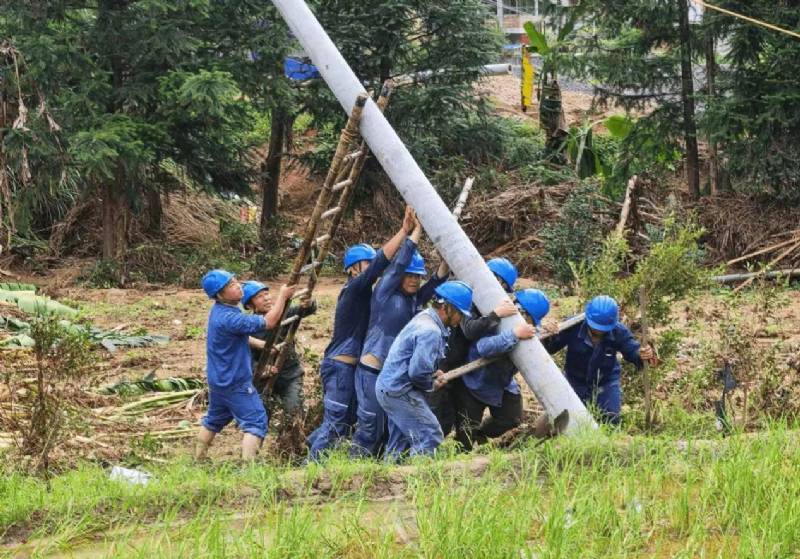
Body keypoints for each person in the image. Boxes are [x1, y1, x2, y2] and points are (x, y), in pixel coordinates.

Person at [306, 206, 417, 459]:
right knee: (336, 425)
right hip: (340, 369)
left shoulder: (371, 295)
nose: (371, 267)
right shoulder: (354, 289)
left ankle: (305, 447)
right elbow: (381, 264)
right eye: (366, 263)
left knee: (344, 422)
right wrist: (404, 232)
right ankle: (309, 470)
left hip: (351, 370)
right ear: (352, 269)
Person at [350, 217, 449, 458]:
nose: (415, 280)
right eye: (409, 275)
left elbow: (436, 281)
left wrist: (449, 253)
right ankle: (353, 470)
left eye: (418, 276)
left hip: (394, 378)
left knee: (396, 431)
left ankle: (388, 469)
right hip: (372, 372)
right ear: (399, 276)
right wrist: (415, 233)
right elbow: (399, 263)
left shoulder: (415, 299)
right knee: (370, 429)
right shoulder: (384, 293)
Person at [194, 269, 289, 460]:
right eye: (230, 285)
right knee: (256, 421)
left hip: (218, 379)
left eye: (236, 281)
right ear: (220, 294)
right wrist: (283, 296)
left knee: (213, 420)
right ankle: (249, 469)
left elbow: (236, 335)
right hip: (235, 381)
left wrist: (260, 344)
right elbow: (269, 322)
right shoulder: (231, 318)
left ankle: (198, 459)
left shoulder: (219, 312)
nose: (238, 286)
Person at [376, 281, 473, 460]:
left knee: (401, 442)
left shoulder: (425, 317)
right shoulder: (431, 331)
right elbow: (417, 373)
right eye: (460, 313)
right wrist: (432, 383)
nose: (460, 320)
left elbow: (416, 362)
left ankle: (391, 475)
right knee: (429, 435)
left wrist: (433, 373)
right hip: (400, 390)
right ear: (447, 307)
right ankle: (419, 476)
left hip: (389, 387)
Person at [427, 257, 519, 436]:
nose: (500, 289)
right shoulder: (467, 298)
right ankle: (423, 448)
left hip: (462, 368)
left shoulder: (486, 305)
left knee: (452, 418)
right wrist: (495, 314)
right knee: (439, 415)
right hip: (444, 363)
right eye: (498, 283)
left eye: (503, 286)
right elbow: (470, 330)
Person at [447, 288, 548, 450]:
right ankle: (462, 455)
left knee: (511, 419)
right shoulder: (497, 318)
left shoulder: (525, 327)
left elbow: (537, 352)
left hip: (502, 383)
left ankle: (481, 433)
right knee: (465, 435)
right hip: (474, 383)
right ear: (522, 313)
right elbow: (483, 347)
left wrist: (547, 333)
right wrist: (514, 334)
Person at [541, 295, 656, 426]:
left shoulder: (619, 332)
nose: (599, 331)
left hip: (606, 382)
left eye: (603, 328)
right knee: (568, 420)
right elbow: (549, 347)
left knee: (611, 419)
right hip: (575, 381)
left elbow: (632, 351)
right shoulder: (572, 326)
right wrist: (548, 333)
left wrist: (642, 354)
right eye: (596, 327)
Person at [242, 280, 313, 418]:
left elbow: (306, 309)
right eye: (259, 296)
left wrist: (308, 303)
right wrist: (259, 369)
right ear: (250, 305)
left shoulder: (284, 313)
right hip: (263, 380)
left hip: (290, 375)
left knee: (294, 413)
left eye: (266, 294)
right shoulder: (249, 326)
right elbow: (245, 357)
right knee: (260, 417)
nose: (266, 298)